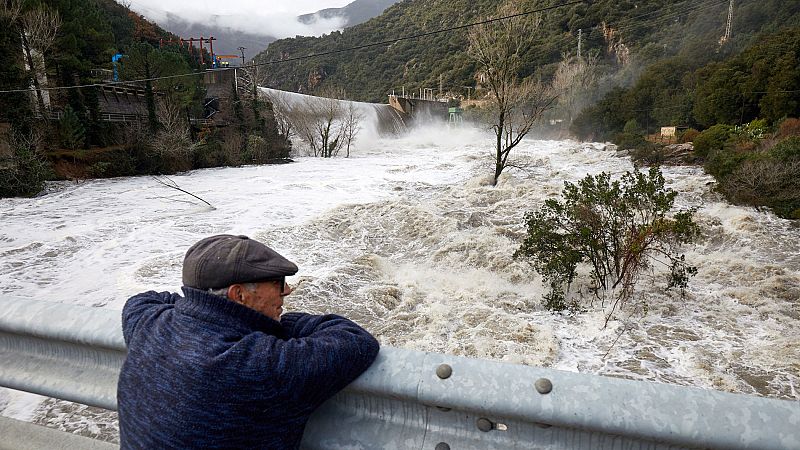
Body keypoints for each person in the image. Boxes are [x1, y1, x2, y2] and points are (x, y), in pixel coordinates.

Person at [117, 234, 380, 449]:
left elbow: (145, 298)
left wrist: (198, 307)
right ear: (239, 295)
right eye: (278, 283)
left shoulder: (147, 323)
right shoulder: (257, 365)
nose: (287, 290)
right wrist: (275, 323)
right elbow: (355, 340)